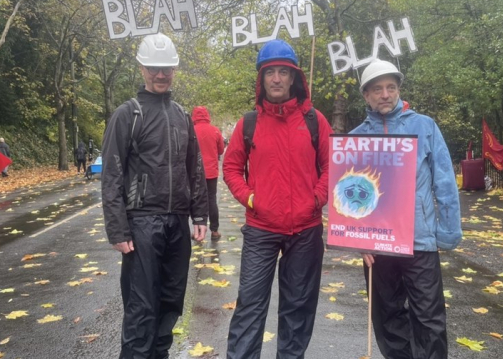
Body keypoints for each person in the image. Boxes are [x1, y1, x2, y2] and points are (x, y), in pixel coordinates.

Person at [101, 32, 208, 359]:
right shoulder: (127, 115)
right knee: (141, 308)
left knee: (170, 303)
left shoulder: (182, 116)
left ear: (174, 70)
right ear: (142, 68)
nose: (160, 74)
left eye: (166, 68)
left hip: (177, 224)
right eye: (153, 68)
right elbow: (111, 175)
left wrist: (200, 214)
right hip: (142, 224)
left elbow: (196, 167)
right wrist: (117, 229)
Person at [223, 39, 332, 358]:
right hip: (261, 230)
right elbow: (231, 167)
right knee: (250, 307)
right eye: (270, 72)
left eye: (283, 72)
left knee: (298, 309)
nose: (276, 79)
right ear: (261, 79)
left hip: (306, 230)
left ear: (294, 77)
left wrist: (316, 199)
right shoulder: (249, 123)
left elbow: (331, 166)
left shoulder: (315, 121)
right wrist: (251, 199)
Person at [350, 59, 462, 359]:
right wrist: (358, 240)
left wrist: (448, 232)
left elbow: (445, 182)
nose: (385, 94)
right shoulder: (355, 139)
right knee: (387, 317)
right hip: (377, 244)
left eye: (391, 87)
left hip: (419, 241)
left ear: (399, 90)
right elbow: (348, 196)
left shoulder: (424, 126)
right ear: (366, 95)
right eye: (377, 89)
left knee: (429, 317)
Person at [192, 106, 225, 241]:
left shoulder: (191, 130)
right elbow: (221, 150)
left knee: (195, 200)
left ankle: (197, 231)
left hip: (195, 172)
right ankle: (215, 230)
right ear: (207, 116)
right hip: (211, 172)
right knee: (211, 199)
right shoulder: (215, 131)